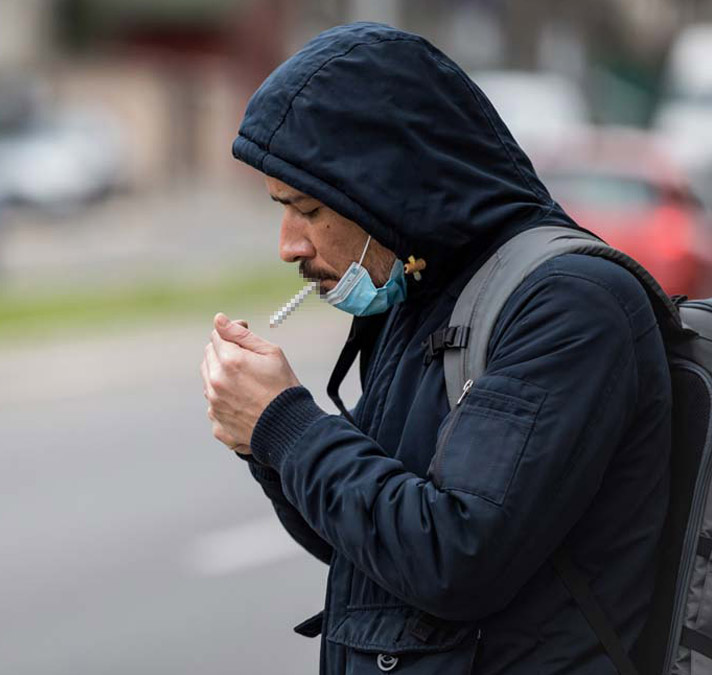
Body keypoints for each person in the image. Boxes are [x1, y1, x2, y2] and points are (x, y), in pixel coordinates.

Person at [199, 22, 671, 674]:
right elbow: (365, 540)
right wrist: (264, 441)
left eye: (306, 209)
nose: (289, 245)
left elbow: (455, 557)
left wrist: (285, 423)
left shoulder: (568, 303)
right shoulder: (427, 292)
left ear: (384, 182)